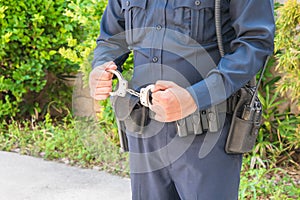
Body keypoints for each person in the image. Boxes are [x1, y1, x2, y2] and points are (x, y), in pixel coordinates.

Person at [89, 0, 275, 199]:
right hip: (144, 134)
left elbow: (255, 42)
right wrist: (101, 67)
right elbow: (112, 38)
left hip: (207, 136)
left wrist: (194, 98)